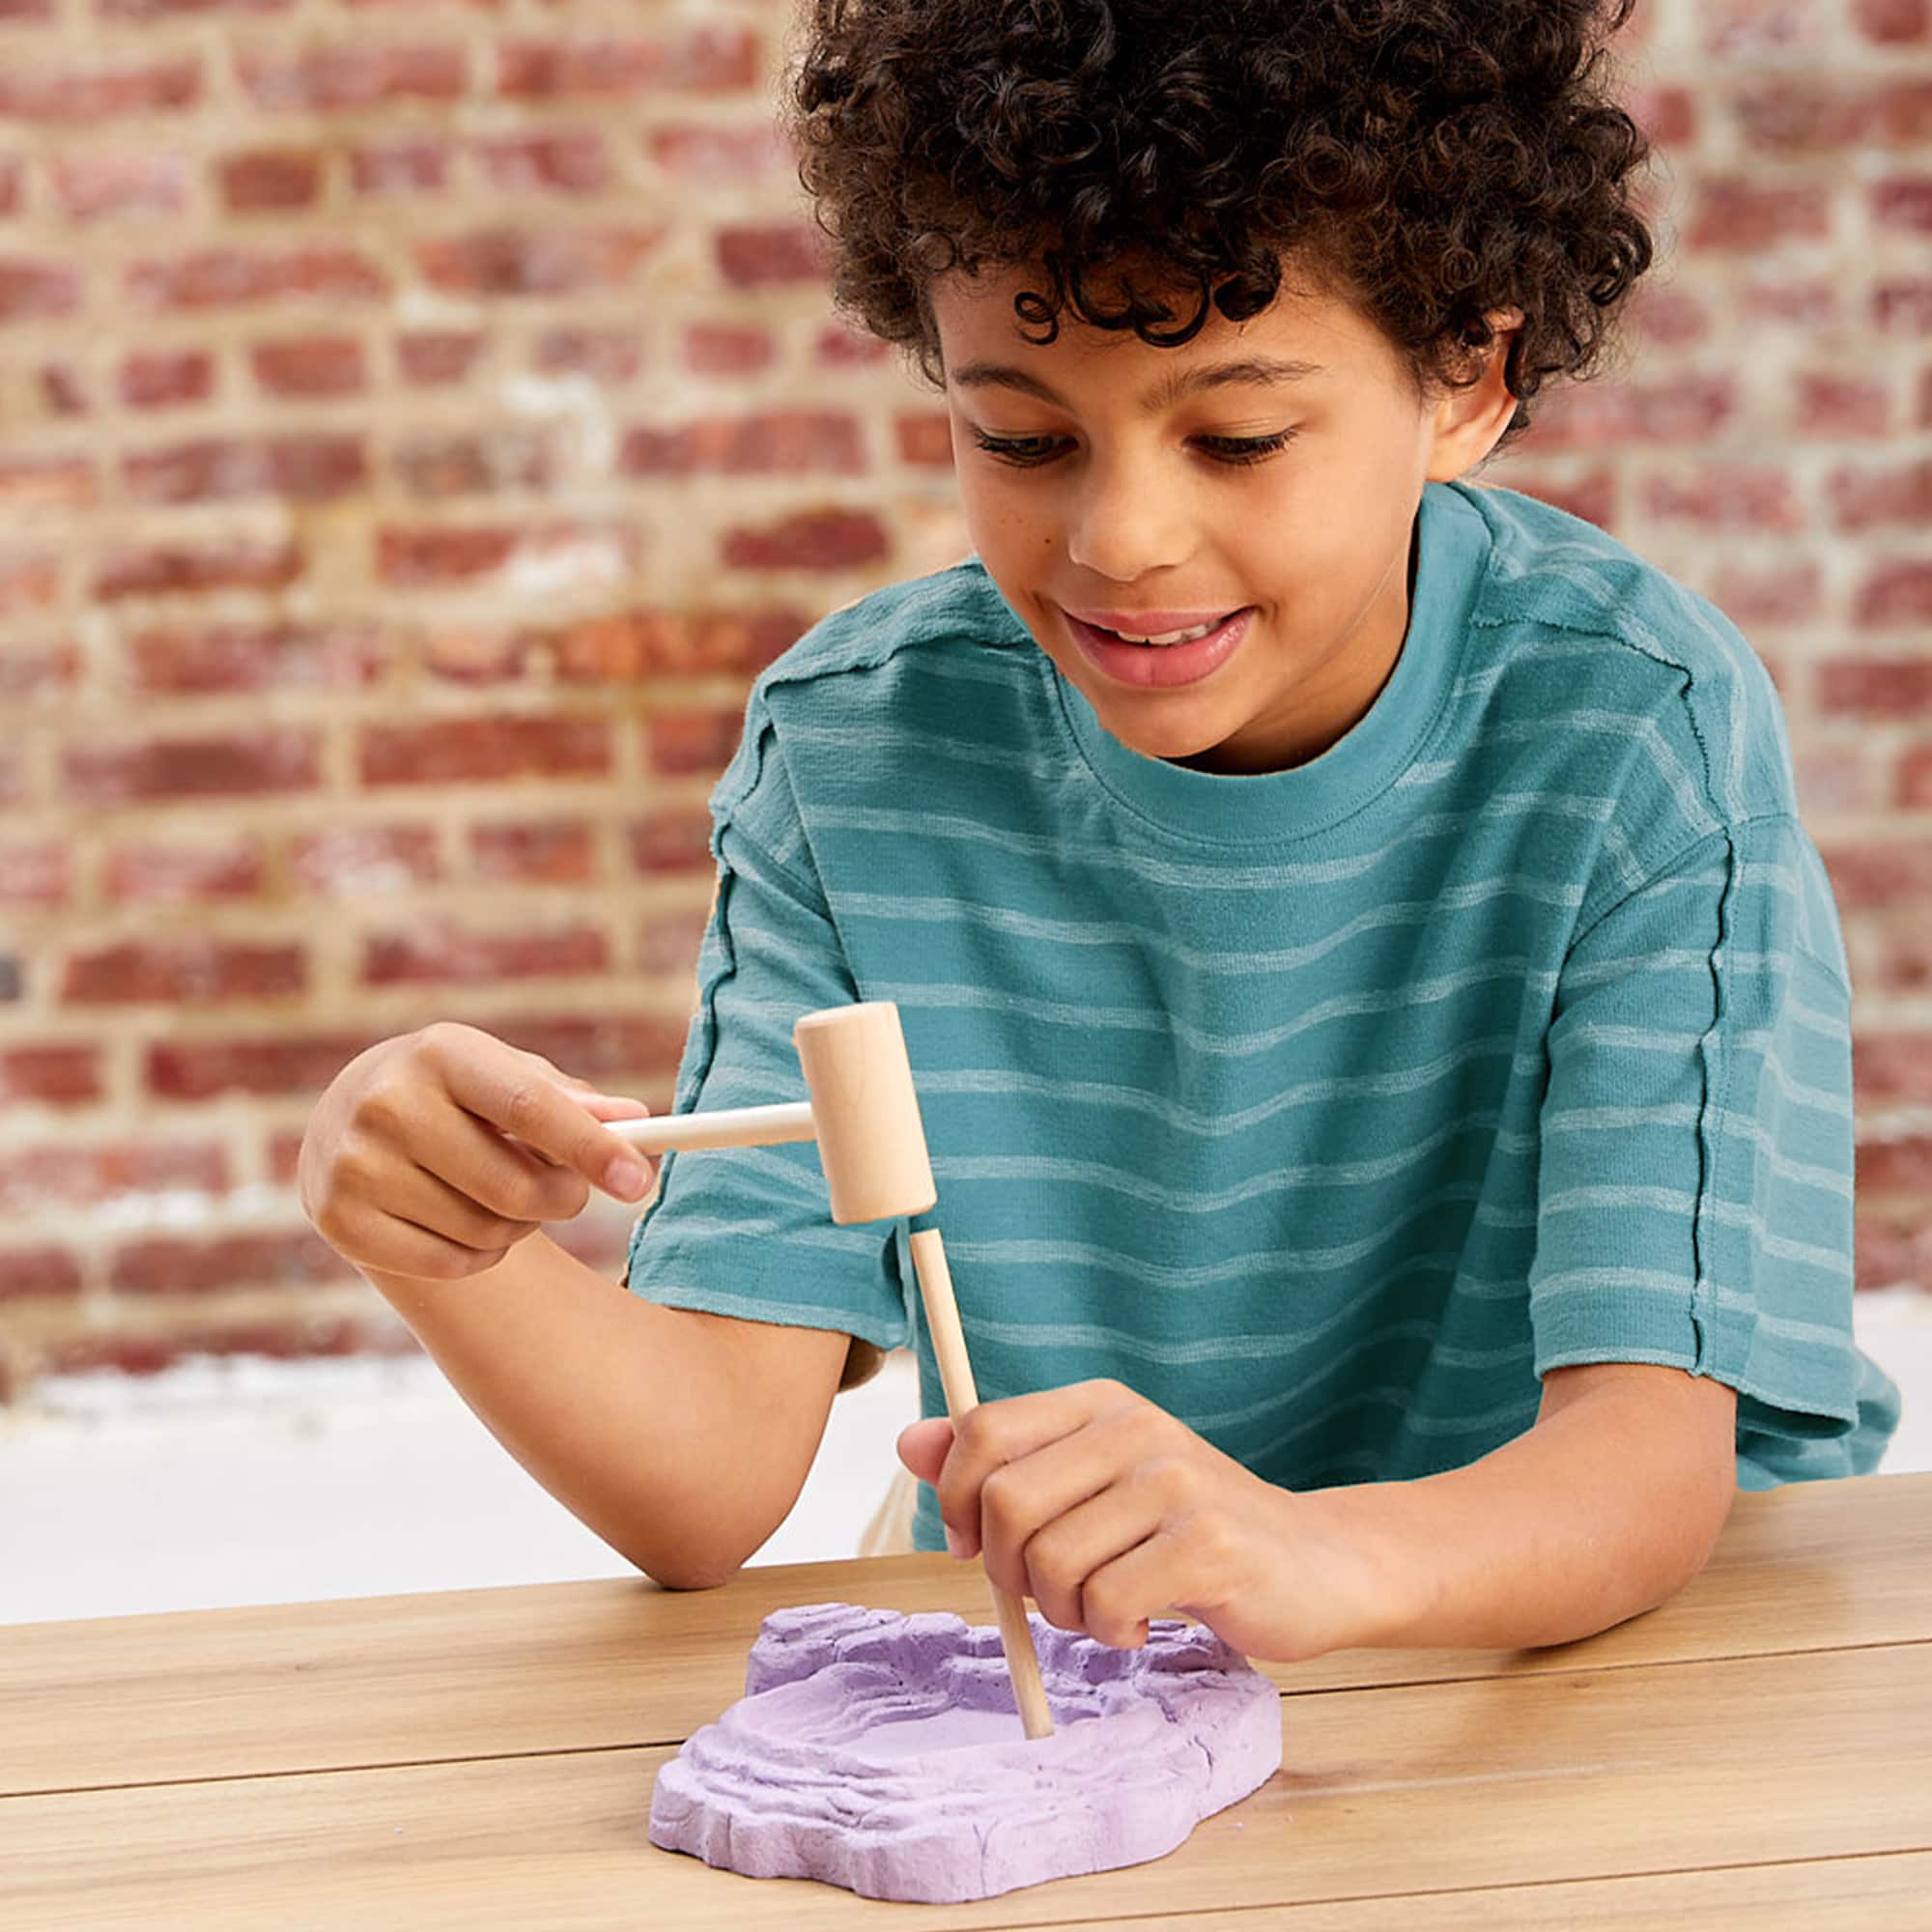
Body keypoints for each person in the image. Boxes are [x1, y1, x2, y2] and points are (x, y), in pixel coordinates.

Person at [298, 0, 1899, 1662]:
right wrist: (442, 1244)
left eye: (1238, 437)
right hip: (1085, 1659)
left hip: (1579, 1645)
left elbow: (1648, 1466)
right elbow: (703, 1488)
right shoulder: (857, 757)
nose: (1123, 538)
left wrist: (1305, 1563)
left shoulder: (1637, 725)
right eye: (1022, 437)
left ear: (1467, 383)